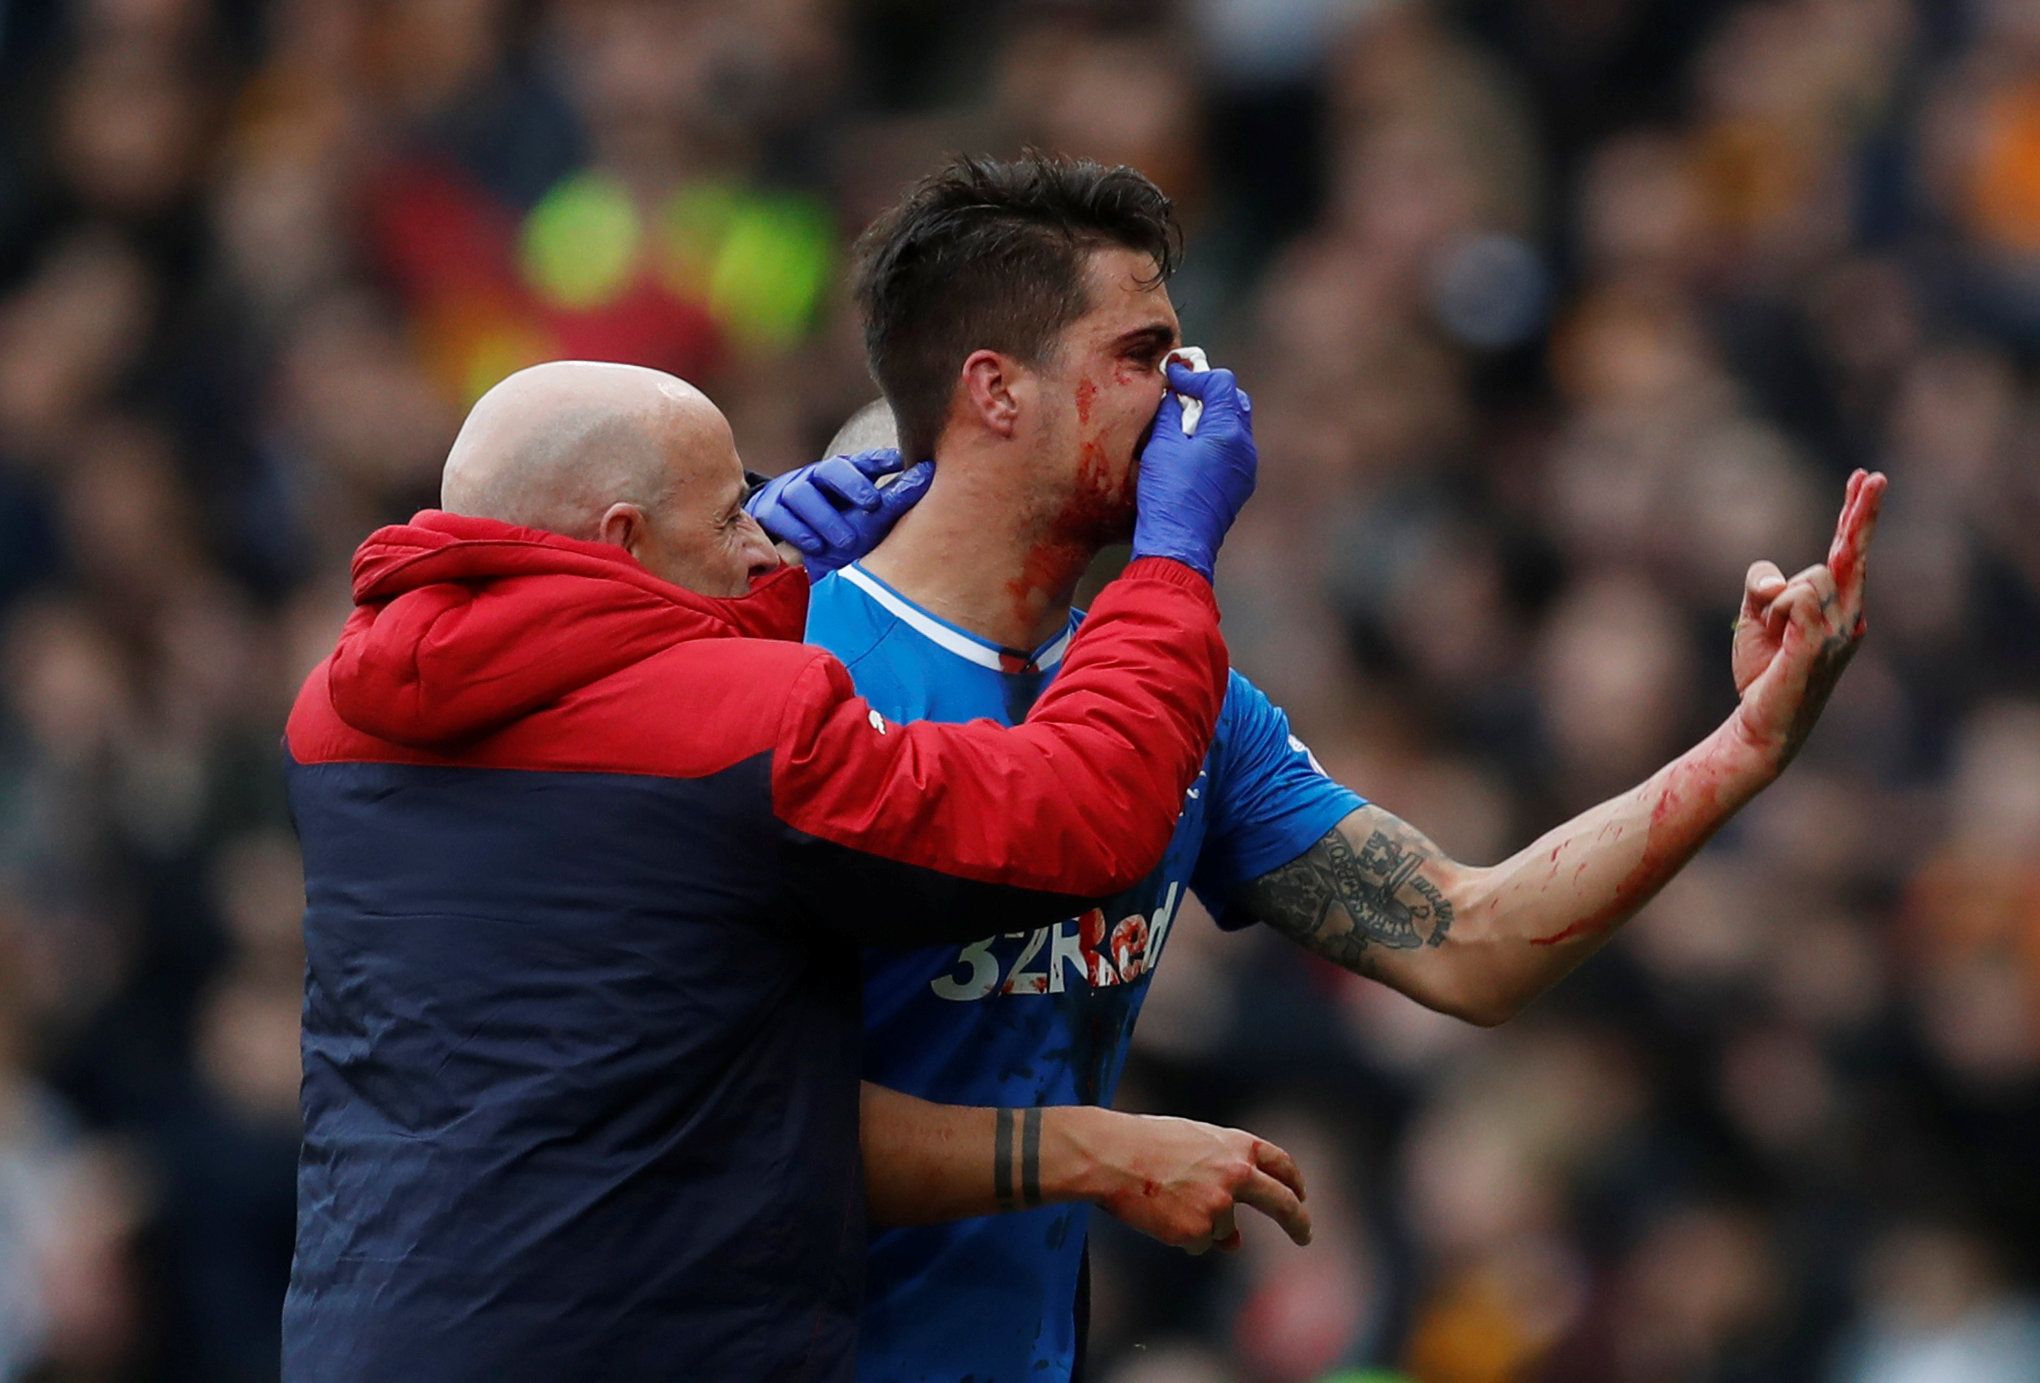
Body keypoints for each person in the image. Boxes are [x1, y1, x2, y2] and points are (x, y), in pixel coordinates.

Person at [743, 153, 1887, 1381]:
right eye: (1143, 357)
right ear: (997, 392)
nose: (1199, 397)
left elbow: (1469, 938)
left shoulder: (1180, 707)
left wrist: (1750, 745)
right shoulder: (793, 675)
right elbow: (738, 1114)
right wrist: (1094, 1151)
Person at [278, 358, 1277, 1381]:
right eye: (729, 519)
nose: (760, 543)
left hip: (372, 1335)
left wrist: (747, 577)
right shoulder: (754, 730)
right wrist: (1169, 563)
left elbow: (589, 703)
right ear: (623, 538)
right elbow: (1079, 811)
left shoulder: (334, 721)